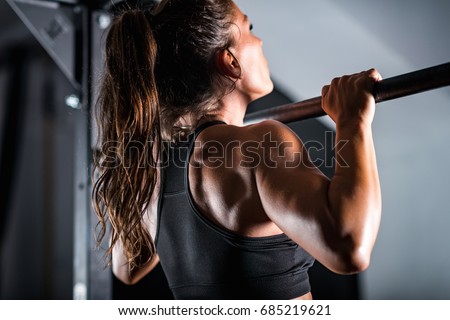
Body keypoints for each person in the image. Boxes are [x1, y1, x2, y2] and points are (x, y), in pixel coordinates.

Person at [93, 0, 382, 300]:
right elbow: (350, 248)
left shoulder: (153, 170)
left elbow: (126, 267)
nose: (260, 40)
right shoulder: (259, 144)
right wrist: (352, 119)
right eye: (249, 28)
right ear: (230, 61)